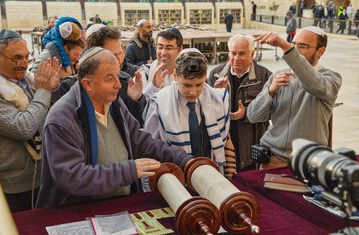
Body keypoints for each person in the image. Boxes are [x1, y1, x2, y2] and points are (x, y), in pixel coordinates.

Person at [35, 47, 193, 208]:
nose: (118, 85)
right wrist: (129, 171)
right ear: (87, 83)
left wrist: (185, 161)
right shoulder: (62, 120)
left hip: (116, 205)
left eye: (117, 75)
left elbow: (141, 142)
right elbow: (72, 177)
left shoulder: (113, 103)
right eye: (109, 79)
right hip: (76, 211)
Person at [0, 29, 61, 212]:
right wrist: (44, 91)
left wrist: (52, 90)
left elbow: (47, 119)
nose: (24, 65)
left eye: (27, 57)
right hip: (15, 188)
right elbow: (24, 127)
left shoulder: (29, 82)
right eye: (17, 58)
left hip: (44, 176)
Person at [247, 27, 342, 169]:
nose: (296, 50)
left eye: (302, 46)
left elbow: (314, 85)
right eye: (293, 44)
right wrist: (270, 91)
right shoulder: (277, 76)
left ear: (320, 52)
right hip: (273, 159)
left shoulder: (331, 78)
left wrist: (285, 46)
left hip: (310, 163)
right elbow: (253, 116)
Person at [144, 48, 235, 180]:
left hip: (212, 177)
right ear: (175, 76)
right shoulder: (159, 103)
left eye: (199, 84)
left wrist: (230, 178)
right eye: (187, 85)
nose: (193, 92)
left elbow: (226, 141)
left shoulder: (218, 100)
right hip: (174, 181)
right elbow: (149, 151)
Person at [207, 34, 272, 172]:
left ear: (252, 54)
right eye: (233, 53)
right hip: (223, 141)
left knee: (248, 179)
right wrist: (217, 96)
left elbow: (273, 111)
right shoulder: (215, 74)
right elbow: (205, 109)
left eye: (242, 53)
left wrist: (247, 114)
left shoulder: (265, 76)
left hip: (252, 141)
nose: (237, 58)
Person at [59, 25, 146, 127]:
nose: (118, 61)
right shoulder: (70, 87)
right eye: (113, 56)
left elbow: (137, 127)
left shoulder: (126, 81)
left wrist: (135, 100)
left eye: (120, 53)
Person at [139, 27, 184, 100]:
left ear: (180, 49)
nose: (163, 53)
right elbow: (139, 105)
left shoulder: (187, 74)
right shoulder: (144, 74)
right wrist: (153, 87)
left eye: (169, 48)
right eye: (160, 47)